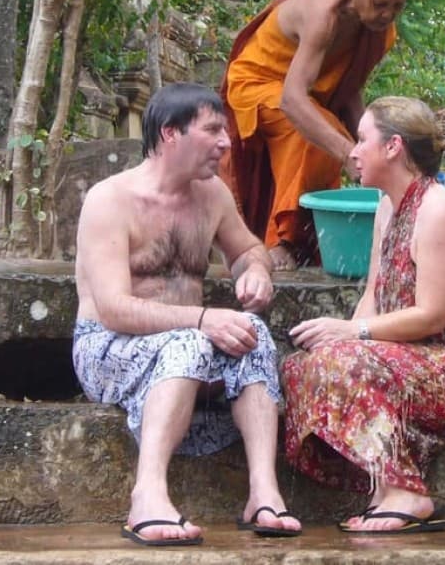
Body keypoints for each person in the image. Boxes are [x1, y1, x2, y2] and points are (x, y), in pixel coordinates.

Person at [72, 83, 302, 546]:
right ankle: (147, 496)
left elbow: (247, 250)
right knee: (194, 339)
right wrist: (201, 320)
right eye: (212, 129)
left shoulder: (211, 194)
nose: (225, 142)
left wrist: (255, 272)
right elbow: (113, 309)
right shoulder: (109, 200)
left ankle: (263, 492)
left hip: (185, 349)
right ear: (170, 134)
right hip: (107, 349)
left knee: (251, 331)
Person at [281, 96, 445, 534]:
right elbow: (374, 292)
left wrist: (353, 334)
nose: (352, 151)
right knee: (302, 367)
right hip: (411, 354)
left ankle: (407, 492)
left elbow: (433, 316)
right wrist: (340, 338)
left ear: (392, 147)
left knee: (346, 358)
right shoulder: (387, 206)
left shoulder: (439, 210)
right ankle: (381, 488)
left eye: (361, 140)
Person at [220, 0, 411, 271]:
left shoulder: (380, 31)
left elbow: (348, 88)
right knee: (319, 136)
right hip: (258, 85)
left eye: (397, 7)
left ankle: (313, 243)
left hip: (303, 98)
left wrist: (371, 146)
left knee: (334, 132)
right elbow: (292, 100)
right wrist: (349, 153)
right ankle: (284, 242)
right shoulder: (323, 15)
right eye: (379, 4)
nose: (387, 16)